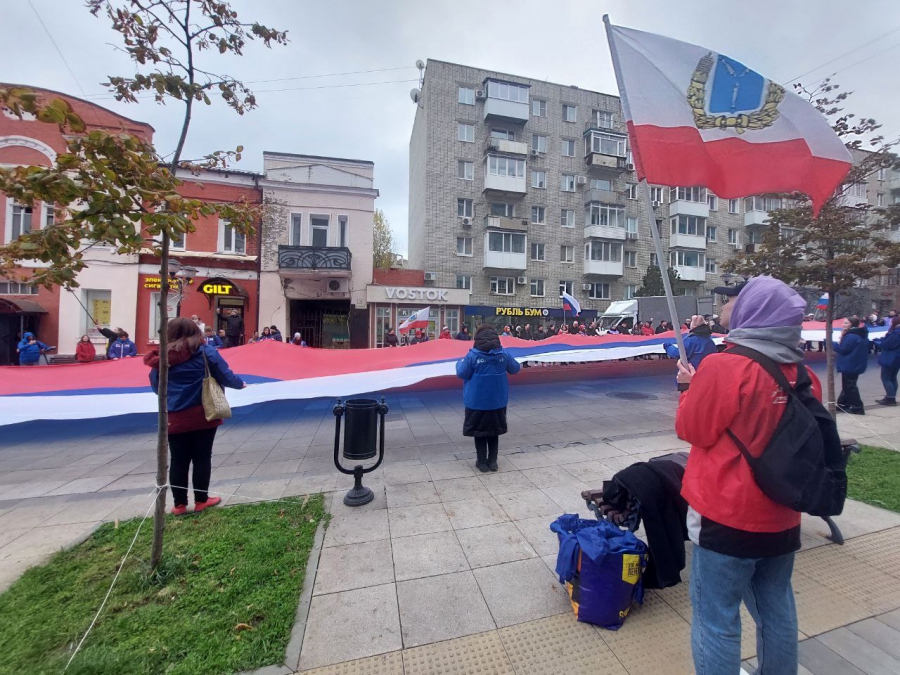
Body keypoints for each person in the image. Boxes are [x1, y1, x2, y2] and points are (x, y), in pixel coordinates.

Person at [675, 276, 820, 675]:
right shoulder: (803, 374)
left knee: (716, 619)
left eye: (732, 299)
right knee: (776, 608)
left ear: (752, 312)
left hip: (728, 516)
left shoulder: (725, 367)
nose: (724, 306)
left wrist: (687, 388)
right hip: (782, 515)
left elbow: (694, 430)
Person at [145, 317, 245, 515]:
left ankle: (179, 504)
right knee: (202, 457)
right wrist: (239, 383)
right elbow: (224, 374)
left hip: (175, 415)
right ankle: (201, 499)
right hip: (204, 412)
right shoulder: (206, 352)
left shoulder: (162, 358)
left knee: (178, 460)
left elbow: (157, 387)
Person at [456, 324, 521, 472]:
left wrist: (458, 363)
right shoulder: (503, 355)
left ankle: (481, 462)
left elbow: (461, 373)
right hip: (497, 402)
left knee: (479, 432)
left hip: (476, 402)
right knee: (494, 431)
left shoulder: (472, 356)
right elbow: (515, 369)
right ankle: (493, 462)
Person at [834, 315, 870, 415]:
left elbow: (843, 350)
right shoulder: (859, 334)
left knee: (850, 386)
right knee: (848, 386)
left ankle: (857, 407)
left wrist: (832, 344)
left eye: (846, 323)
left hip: (850, 364)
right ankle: (842, 404)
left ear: (852, 325)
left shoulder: (851, 336)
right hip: (855, 364)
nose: (843, 325)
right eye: (843, 322)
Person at [875, 316, 900, 406]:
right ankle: (890, 396)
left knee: (886, 378)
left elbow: (887, 344)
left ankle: (890, 398)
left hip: (891, 357)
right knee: (892, 377)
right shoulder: (896, 332)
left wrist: (877, 342)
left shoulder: (896, 333)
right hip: (896, 358)